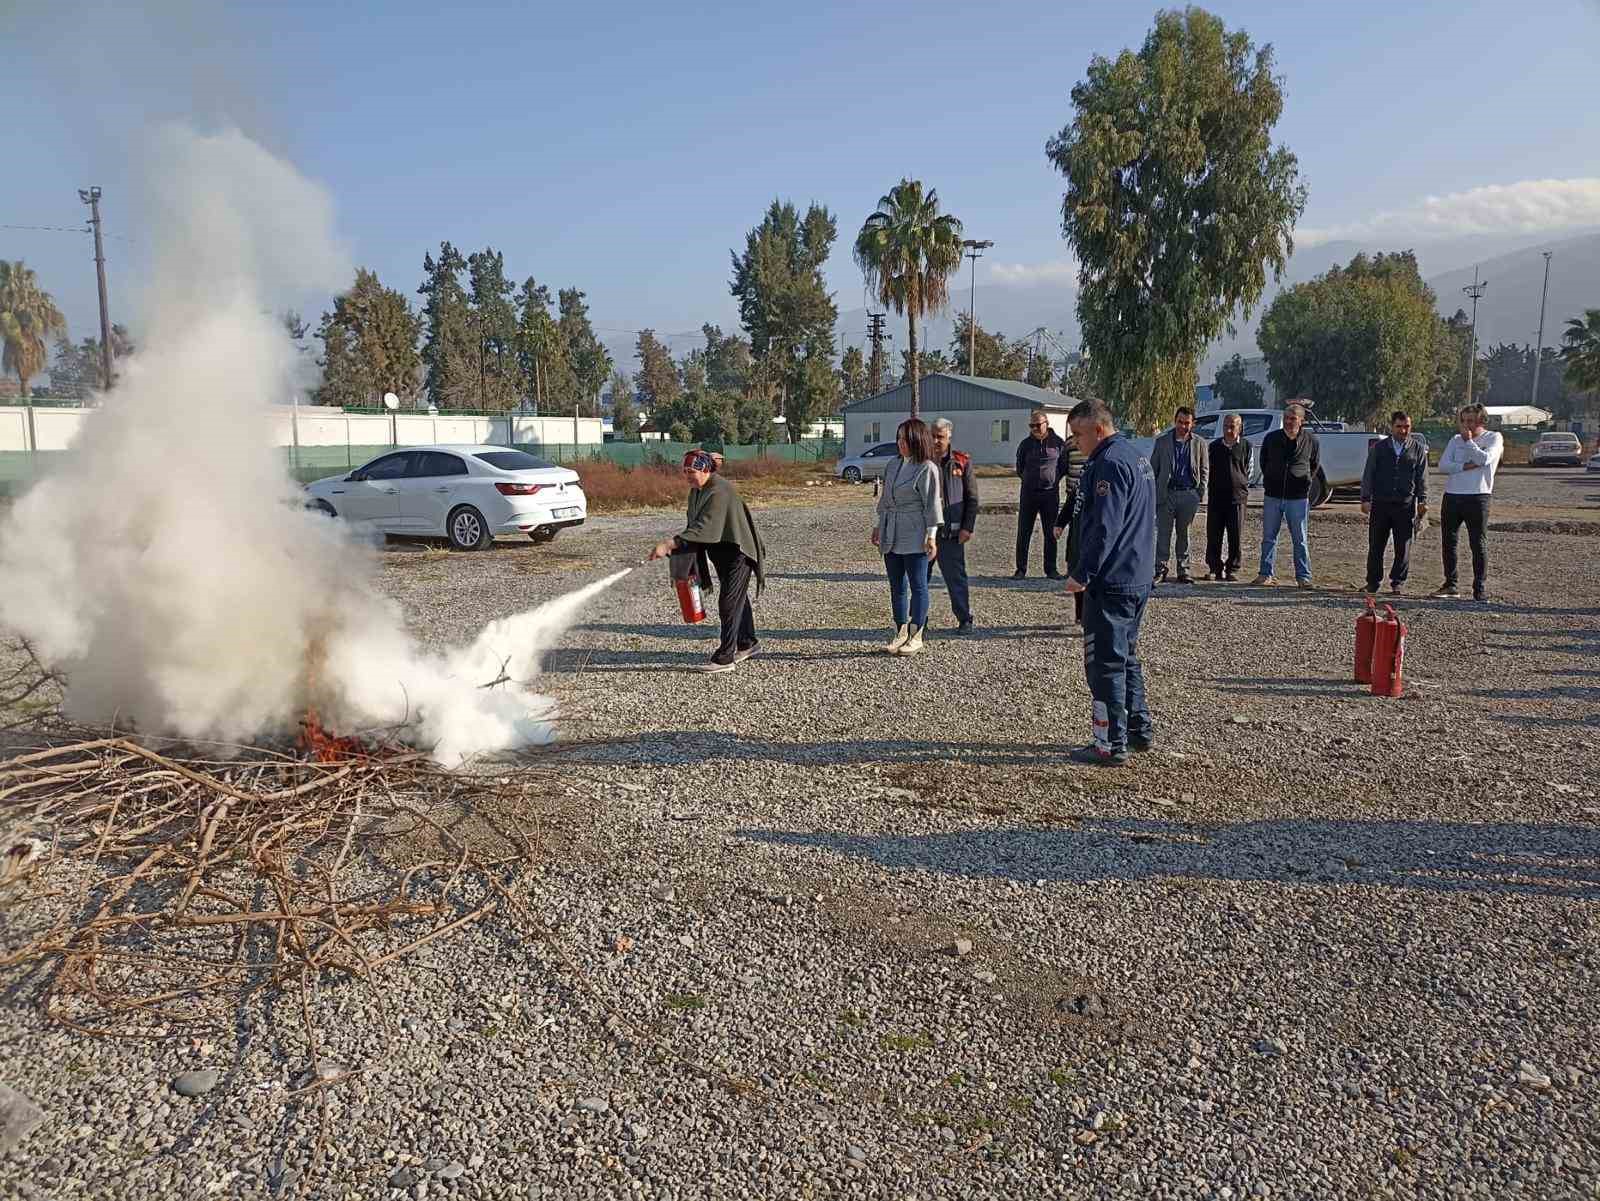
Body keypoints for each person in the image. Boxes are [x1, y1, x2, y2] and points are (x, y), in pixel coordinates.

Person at [1062, 399, 1156, 766]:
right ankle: (1138, 729)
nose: (1076, 443)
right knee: (1126, 656)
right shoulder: (1135, 456)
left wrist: (1082, 573)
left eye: (1079, 435)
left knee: (1104, 663)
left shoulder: (1110, 464)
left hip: (1113, 579)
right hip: (1136, 575)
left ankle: (1109, 742)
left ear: (1098, 430)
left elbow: (1105, 527)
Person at [649, 449, 766, 674]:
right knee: (737, 598)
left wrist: (669, 544)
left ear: (704, 469)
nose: (687, 476)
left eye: (691, 471)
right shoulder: (697, 491)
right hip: (721, 551)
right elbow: (694, 525)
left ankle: (725, 657)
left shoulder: (720, 490)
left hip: (739, 552)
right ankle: (748, 643)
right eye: (685, 471)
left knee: (729, 602)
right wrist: (679, 546)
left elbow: (705, 526)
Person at [872, 417, 942, 655]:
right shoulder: (892, 465)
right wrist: (878, 526)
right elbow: (885, 500)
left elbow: (932, 505)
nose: (901, 443)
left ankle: (917, 633)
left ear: (917, 440)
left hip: (915, 532)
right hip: (892, 530)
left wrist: (931, 536)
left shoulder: (926, 468)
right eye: (899, 438)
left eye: (905, 438)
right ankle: (900, 630)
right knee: (896, 586)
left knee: (918, 585)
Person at [1431, 403, 1504, 602]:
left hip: (1478, 496)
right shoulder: (1455, 440)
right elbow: (1443, 466)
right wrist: (1465, 466)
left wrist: (1470, 443)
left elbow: (1484, 459)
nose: (1466, 425)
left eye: (1471, 421)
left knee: (1478, 543)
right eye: (1463, 421)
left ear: (1481, 421)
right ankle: (1451, 584)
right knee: (1449, 541)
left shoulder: (1493, 438)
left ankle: (1479, 588)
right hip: (1452, 496)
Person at [1252, 402, 1320, 589]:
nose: (1289, 422)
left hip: (1298, 498)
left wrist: (1302, 480)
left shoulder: (1311, 440)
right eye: (1287, 419)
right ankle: (1265, 574)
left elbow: (1314, 465)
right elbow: (1264, 461)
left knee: (1300, 539)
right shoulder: (1271, 438)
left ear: (1302, 420)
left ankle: (1303, 577)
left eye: (1293, 419)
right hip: (1273, 495)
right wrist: (1273, 477)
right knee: (1268, 537)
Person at [1361, 410, 1429, 595]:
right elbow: (1369, 474)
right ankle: (1373, 582)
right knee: (1376, 545)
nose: (1403, 430)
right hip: (1381, 504)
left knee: (1403, 546)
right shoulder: (1379, 448)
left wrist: (1423, 500)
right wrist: (1365, 498)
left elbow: (1422, 477)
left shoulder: (1418, 449)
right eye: (1399, 426)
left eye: (1406, 426)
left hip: (1405, 505)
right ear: (1392, 427)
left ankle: (1397, 582)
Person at [930, 418, 979, 634]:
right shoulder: (922, 461)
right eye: (932, 435)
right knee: (920, 579)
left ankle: (964, 619)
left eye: (939, 436)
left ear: (949, 436)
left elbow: (972, 498)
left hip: (952, 533)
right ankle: (917, 621)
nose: (935, 440)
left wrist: (967, 527)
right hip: (926, 534)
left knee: (956, 578)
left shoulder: (962, 461)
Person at [1149, 405, 1208, 585]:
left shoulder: (1199, 443)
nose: (1183, 426)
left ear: (1193, 424)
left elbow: (1204, 470)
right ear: (1175, 421)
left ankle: (1184, 570)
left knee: (1184, 535)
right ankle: (1160, 570)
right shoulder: (1162, 442)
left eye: (1187, 423)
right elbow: (1154, 470)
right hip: (1167, 495)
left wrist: (1199, 493)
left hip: (1189, 494)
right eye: (1180, 422)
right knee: (1163, 535)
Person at [1014, 409, 1068, 579]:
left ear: (1047, 424)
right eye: (1032, 426)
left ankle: (1051, 569)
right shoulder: (1025, 444)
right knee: (1024, 531)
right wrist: (1030, 480)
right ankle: (1020, 569)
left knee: (1050, 532)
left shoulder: (1058, 443)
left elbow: (1063, 466)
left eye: (1038, 425)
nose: (1035, 428)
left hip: (1050, 495)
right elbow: (1019, 467)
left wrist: (1052, 479)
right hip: (1029, 494)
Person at [1204, 413, 1252, 581]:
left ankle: (1232, 568)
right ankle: (1214, 567)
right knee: (1213, 534)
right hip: (1217, 497)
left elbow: (1249, 470)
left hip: (1238, 498)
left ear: (1240, 427)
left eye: (1233, 426)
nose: (1229, 430)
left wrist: (1241, 483)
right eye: (1226, 426)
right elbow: (1208, 469)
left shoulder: (1246, 446)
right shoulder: (1214, 446)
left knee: (1235, 535)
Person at [1051, 430, 1088, 634]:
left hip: (1096, 527)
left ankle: (1092, 616)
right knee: (1076, 566)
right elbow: (1073, 498)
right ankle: (1081, 614)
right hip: (1077, 524)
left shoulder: (1106, 465)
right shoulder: (1085, 473)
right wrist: (1060, 523)